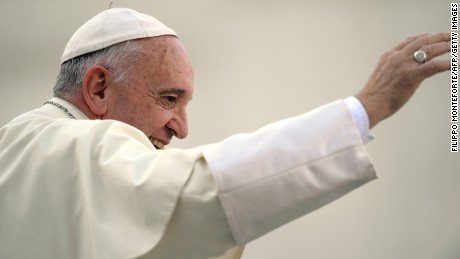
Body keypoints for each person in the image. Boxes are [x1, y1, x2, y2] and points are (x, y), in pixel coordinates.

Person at [0, 7, 450, 259]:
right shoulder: (69, 145)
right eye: (169, 99)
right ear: (98, 88)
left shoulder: (24, 147)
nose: (181, 127)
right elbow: (203, 194)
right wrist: (367, 108)